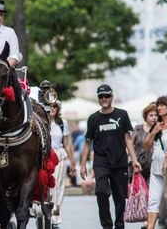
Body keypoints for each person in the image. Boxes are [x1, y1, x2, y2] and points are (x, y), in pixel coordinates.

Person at [80, 84, 141, 229]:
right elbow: (88, 143)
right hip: (101, 162)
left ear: (112, 97)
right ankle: (106, 225)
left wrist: (134, 160)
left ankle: (119, 225)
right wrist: (83, 165)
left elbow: (128, 139)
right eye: (101, 96)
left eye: (107, 96)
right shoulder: (93, 118)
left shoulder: (122, 114)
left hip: (119, 161)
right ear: (98, 99)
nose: (104, 99)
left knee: (120, 198)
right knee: (101, 192)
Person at [143, 96, 167, 229]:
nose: (159, 108)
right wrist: (153, 132)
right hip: (155, 167)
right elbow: (146, 146)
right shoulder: (157, 125)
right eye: (158, 105)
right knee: (153, 201)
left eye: (162, 105)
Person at [49, 101, 76, 229]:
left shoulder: (61, 123)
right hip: (43, 154)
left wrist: (72, 161)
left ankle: (55, 217)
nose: (52, 108)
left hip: (59, 155)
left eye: (55, 106)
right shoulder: (40, 121)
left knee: (57, 187)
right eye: (50, 105)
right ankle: (40, 211)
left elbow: (67, 143)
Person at [131, 103, 157, 185]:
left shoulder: (159, 129)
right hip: (139, 166)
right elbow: (129, 145)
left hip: (154, 167)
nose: (154, 117)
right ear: (146, 116)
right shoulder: (138, 128)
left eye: (156, 115)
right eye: (151, 115)